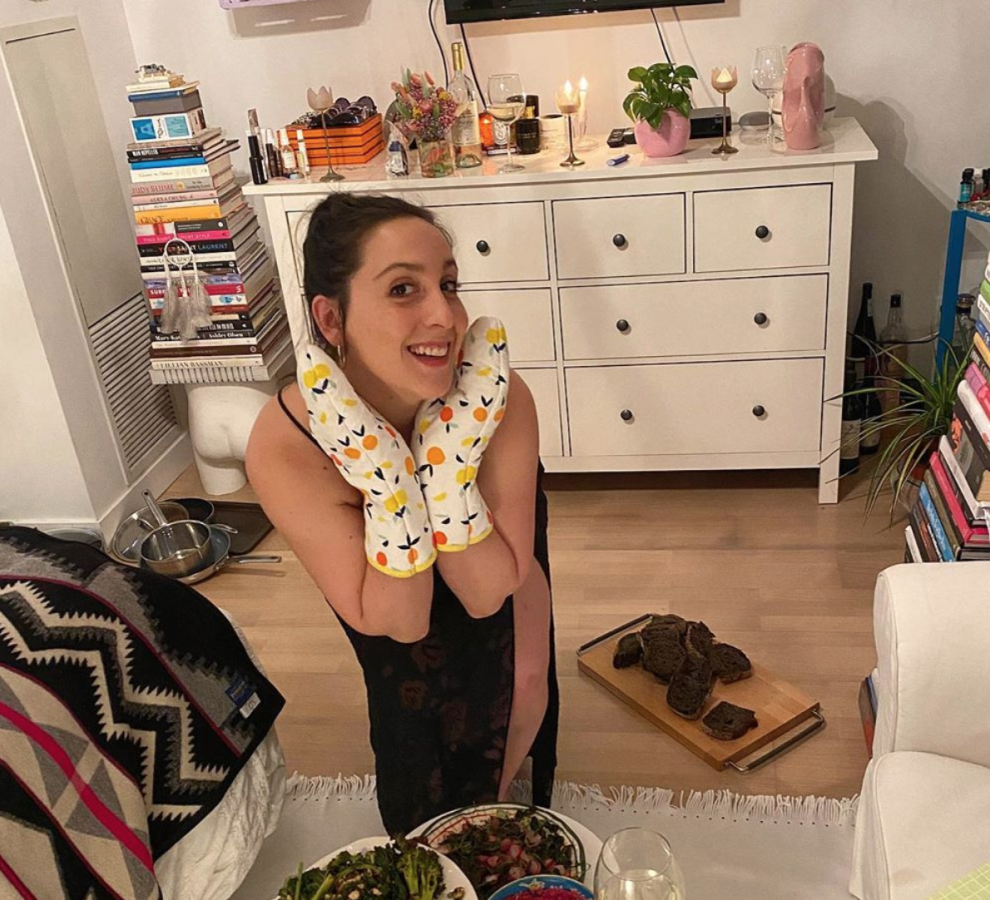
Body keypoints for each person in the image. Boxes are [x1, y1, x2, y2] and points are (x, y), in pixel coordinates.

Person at [246, 193, 558, 834]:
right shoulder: (285, 445)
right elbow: (401, 620)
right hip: (388, 591)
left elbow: (487, 593)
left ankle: (495, 812)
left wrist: (448, 470)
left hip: (491, 554)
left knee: (524, 683)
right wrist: (388, 482)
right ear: (331, 319)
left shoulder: (496, 398)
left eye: (449, 284)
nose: (444, 315)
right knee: (417, 734)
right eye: (402, 290)